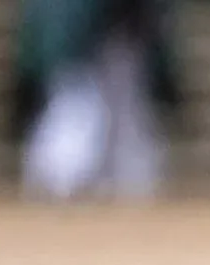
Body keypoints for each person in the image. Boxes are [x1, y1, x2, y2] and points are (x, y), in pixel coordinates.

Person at [13, 0, 181, 197]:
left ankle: (74, 181)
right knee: (78, 113)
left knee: (115, 120)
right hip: (84, 49)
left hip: (108, 43)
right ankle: (62, 180)